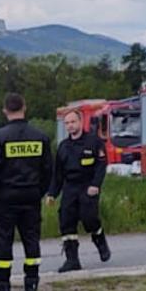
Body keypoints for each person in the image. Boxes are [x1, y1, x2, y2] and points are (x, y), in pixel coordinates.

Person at [0, 93, 55, 291]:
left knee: (4, 242)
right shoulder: (40, 137)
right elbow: (48, 170)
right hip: (31, 197)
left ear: (5, 110)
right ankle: (31, 289)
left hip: (5, 198)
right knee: (31, 241)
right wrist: (39, 191)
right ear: (25, 107)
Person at [49, 110, 111, 272]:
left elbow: (101, 165)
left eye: (73, 122)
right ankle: (72, 260)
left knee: (89, 218)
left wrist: (95, 185)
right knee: (66, 220)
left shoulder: (94, 142)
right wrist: (52, 194)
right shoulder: (63, 147)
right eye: (67, 123)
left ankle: (100, 241)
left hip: (88, 186)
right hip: (70, 187)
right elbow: (58, 174)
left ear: (80, 122)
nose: (70, 126)